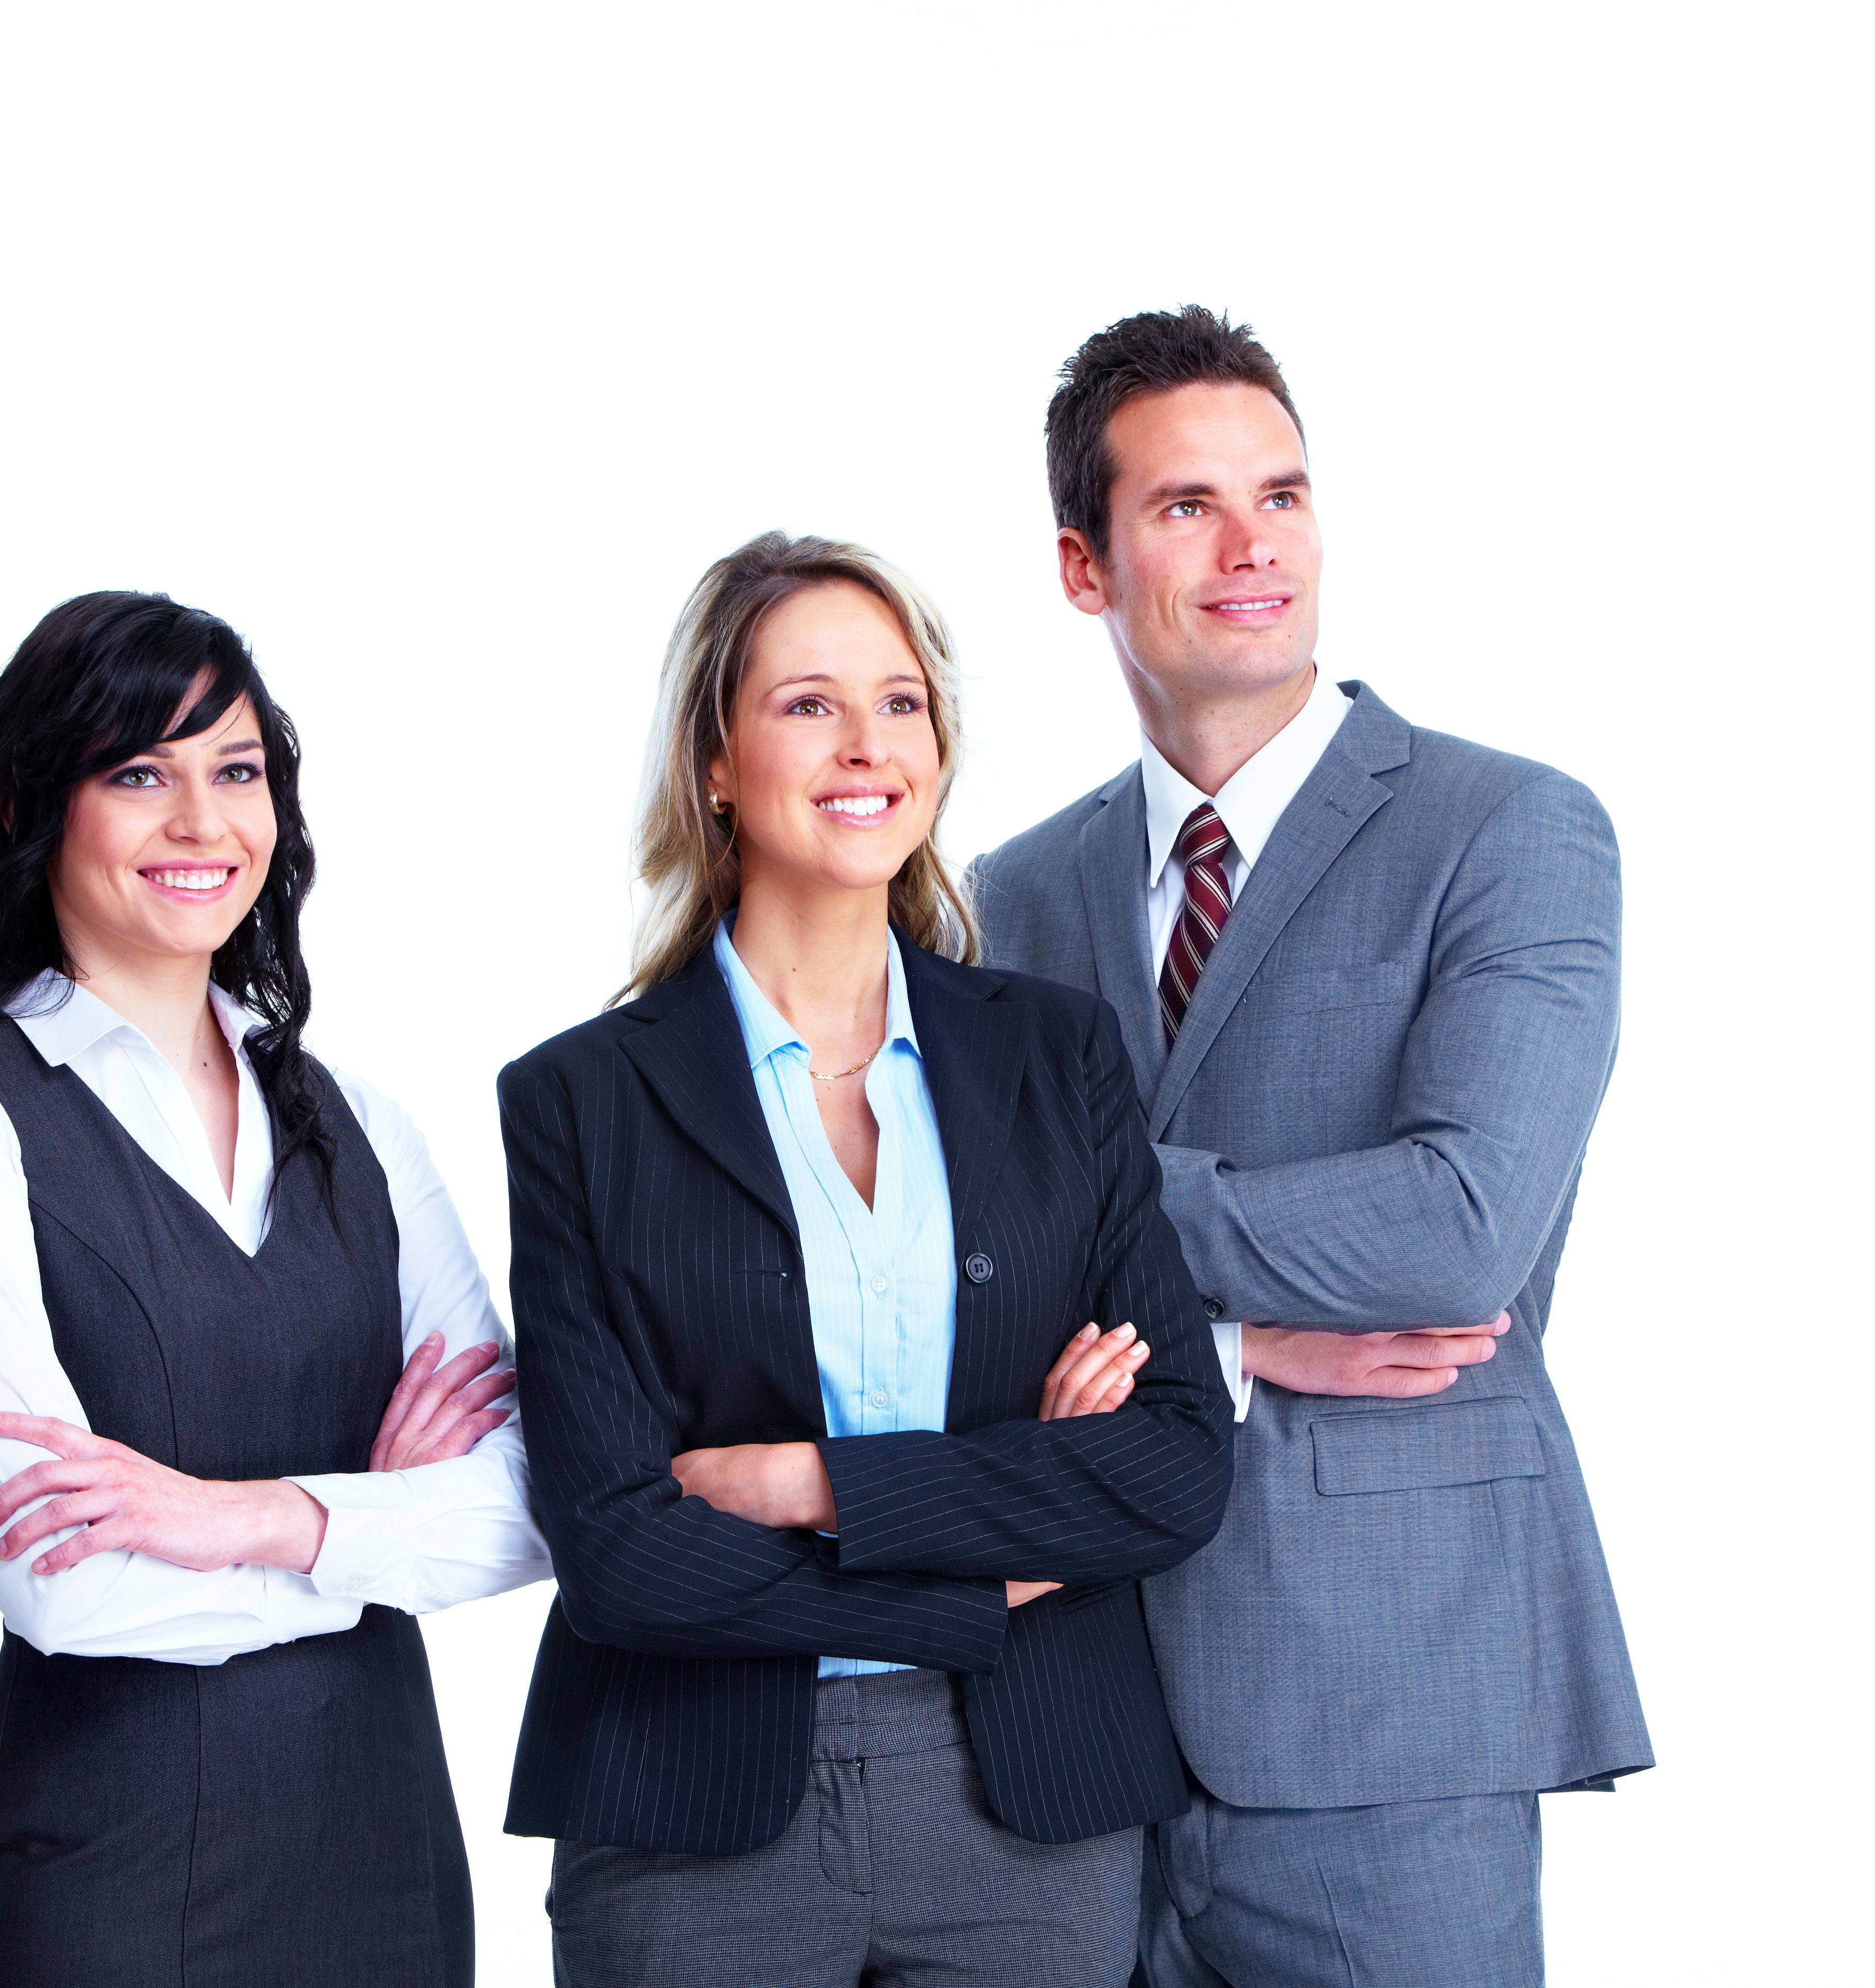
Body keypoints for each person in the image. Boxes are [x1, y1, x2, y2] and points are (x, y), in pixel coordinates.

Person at [972, 307, 1653, 1986]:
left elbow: (1460, 1225)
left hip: (1390, 1718)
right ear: (1083, 565)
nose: (1253, 546)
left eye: (1280, 495)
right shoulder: (1015, 896)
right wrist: (1233, 1335)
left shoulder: (1509, 830)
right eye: (1187, 506)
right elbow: (967, 1276)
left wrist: (1087, 1208)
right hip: (1072, 1731)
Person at [498, 532, 1235, 1988]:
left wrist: (811, 1483)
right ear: (715, 760)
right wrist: (992, 1560)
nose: (868, 746)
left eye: (902, 703)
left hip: (1033, 1814)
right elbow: (622, 1554)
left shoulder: (1056, 1056)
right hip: (695, 1817)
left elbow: (1173, 1464)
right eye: (808, 704)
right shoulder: (580, 1100)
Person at [0, 591, 550, 1988]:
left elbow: (536, 1506)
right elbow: (65, 1586)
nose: (201, 823)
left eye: (236, 772)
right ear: (32, 809)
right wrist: (372, 1532)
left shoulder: (359, 1121)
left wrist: (244, 1520)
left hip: (385, 1864)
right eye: (138, 775)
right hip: (109, 1879)